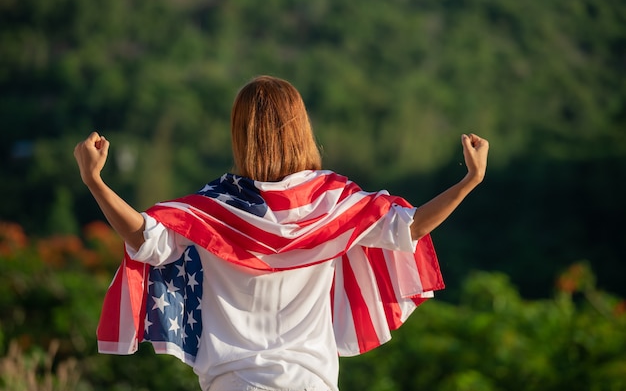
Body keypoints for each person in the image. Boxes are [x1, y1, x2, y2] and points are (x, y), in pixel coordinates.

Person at [74, 75, 489, 391]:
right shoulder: (333, 203)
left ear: (239, 134)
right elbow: (410, 226)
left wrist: (96, 182)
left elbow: (144, 238)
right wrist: (469, 181)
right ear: (300, 128)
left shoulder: (213, 208)